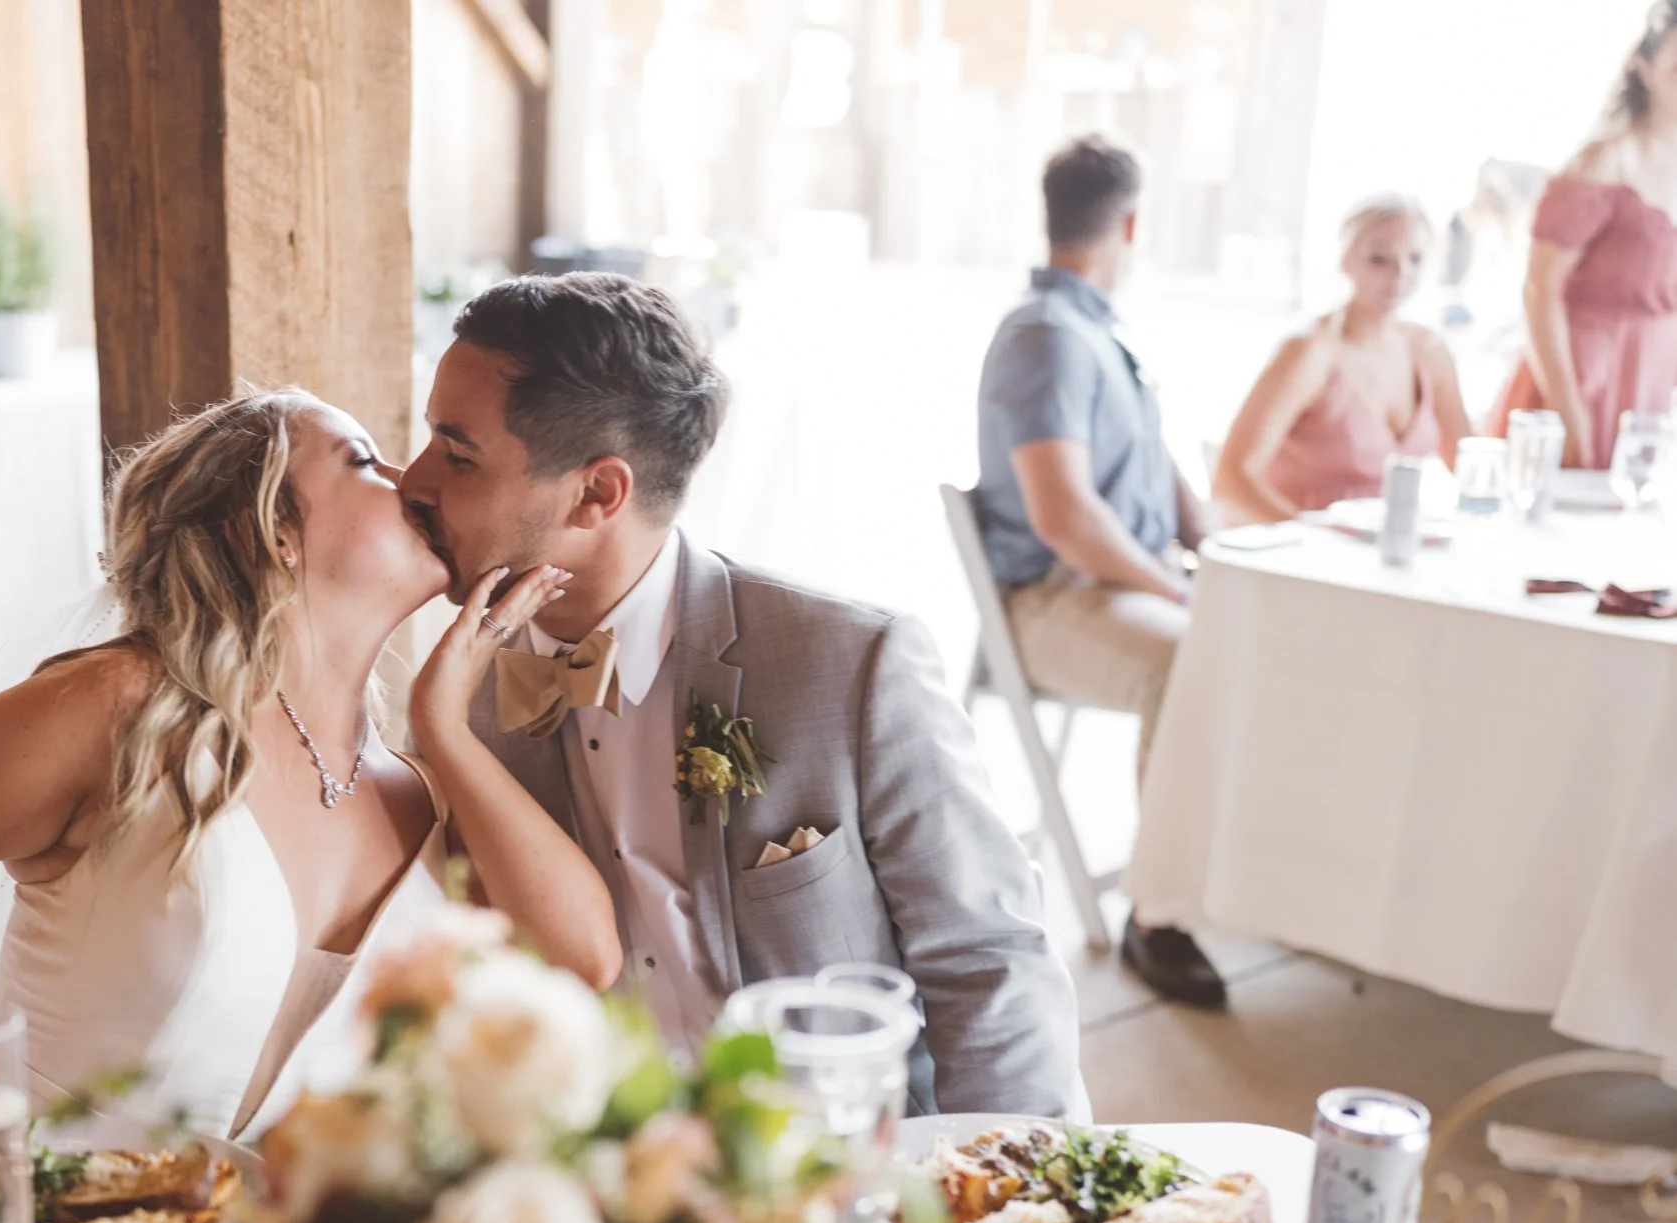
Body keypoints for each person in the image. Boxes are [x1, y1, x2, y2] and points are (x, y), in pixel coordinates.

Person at [0, 390, 620, 1186]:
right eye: (362, 460)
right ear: (272, 530)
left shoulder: (418, 795)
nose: (411, 482)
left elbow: (584, 960)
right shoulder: (126, 710)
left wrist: (444, 726)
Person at [402, 272, 1082, 1122]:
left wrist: (1012, 1217)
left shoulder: (850, 665)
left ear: (597, 493)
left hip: (848, 1169)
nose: (414, 480)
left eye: (458, 453)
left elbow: (988, 963)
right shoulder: (461, 705)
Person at [971, 135, 1223, 1009]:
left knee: (1251, 641)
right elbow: (1066, 520)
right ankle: (1158, 914)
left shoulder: (1096, 334)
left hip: (1114, 584)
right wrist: (1180, 589)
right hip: (1052, 599)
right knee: (1193, 654)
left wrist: (1221, 554)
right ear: (1131, 223)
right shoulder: (1045, 337)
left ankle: (1216, 872)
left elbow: (1161, 478)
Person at [1494, 2, 1677, 467]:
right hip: (1578, 382)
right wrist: (1567, 411)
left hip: (1646, 390)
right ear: (1646, 68)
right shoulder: (1602, 162)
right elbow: (1539, 290)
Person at [1213, 196, 1473, 522]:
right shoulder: (1309, 353)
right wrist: (1311, 539)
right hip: (1296, 552)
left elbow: (1471, 463)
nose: (1400, 274)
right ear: (1346, 260)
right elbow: (1230, 479)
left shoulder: (1429, 350)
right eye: (1380, 259)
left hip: (1384, 553)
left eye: (1415, 259)